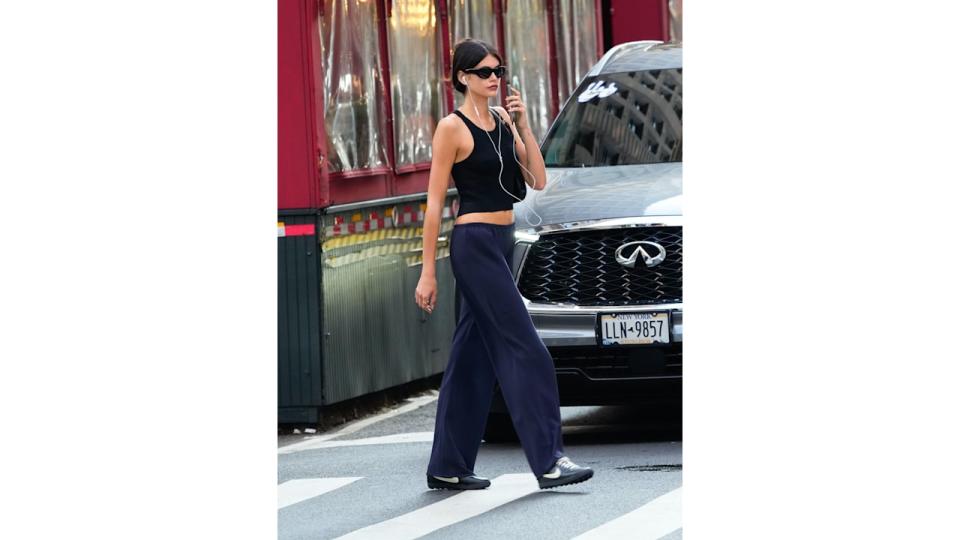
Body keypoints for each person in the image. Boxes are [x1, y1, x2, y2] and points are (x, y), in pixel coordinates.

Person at [415, 38, 594, 491]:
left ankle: (448, 464)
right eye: (484, 72)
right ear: (462, 78)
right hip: (474, 242)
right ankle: (550, 460)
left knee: (472, 355)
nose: (494, 78)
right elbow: (434, 203)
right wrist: (428, 271)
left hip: (503, 239)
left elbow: (537, 177)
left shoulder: (500, 120)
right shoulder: (450, 128)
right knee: (525, 346)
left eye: (498, 70)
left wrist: (524, 125)